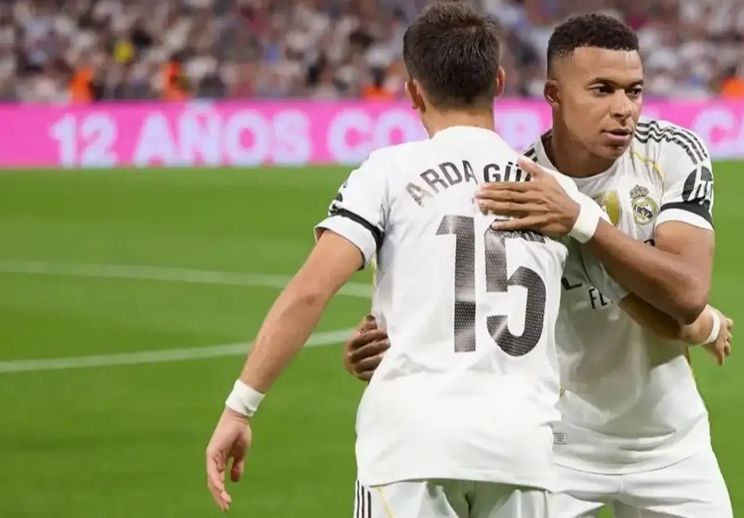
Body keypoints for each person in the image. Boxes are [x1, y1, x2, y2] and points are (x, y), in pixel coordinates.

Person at [205, 3, 613, 516]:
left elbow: (311, 291)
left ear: (414, 92)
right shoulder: (555, 193)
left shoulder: (388, 172)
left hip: (411, 446)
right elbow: (610, 308)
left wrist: (240, 407)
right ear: (499, 82)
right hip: (522, 452)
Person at [345, 13, 735, 518]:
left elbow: (686, 294)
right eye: (602, 90)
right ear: (554, 94)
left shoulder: (671, 151)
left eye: (634, 91)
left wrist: (582, 221)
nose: (624, 109)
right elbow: (463, 300)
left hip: (672, 444)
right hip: (559, 449)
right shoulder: (517, 186)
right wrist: (385, 343)